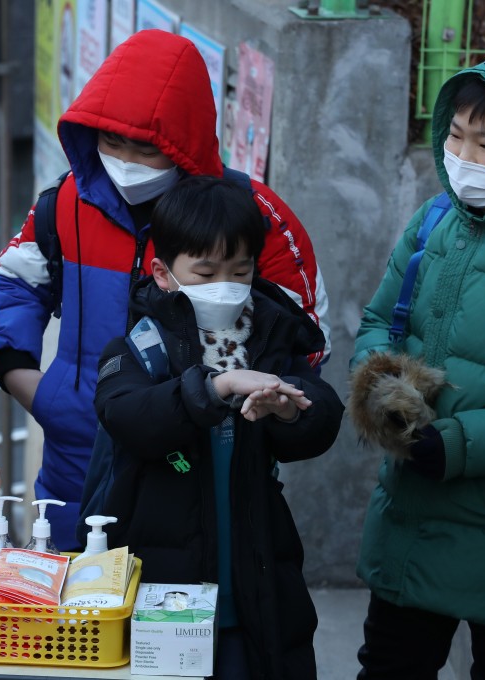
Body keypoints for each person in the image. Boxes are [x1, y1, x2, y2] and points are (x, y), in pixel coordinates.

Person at [0, 29, 330, 549]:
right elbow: (13, 284)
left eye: (145, 148)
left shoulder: (252, 216)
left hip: (208, 467)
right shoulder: (67, 202)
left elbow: (305, 335)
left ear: (184, 139)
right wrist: (31, 385)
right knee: (80, 623)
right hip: (74, 464)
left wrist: (258, 410)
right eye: (110, 140)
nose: (124, 161)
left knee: (185, 621)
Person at [94, 176, 345, 679]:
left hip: (255, 572)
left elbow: (319, 408)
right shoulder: (140, 344)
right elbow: (127, 415)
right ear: (164, 273)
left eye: (240, 270)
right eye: (205, 272)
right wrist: (214, 387)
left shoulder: (272, 330)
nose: (225, 285)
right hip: (163, 583)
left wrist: (292, 411)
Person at [347, 52, 485, 679]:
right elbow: (380, 319)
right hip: (411, 514)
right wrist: (379, 388)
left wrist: (456, 443)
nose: (464, 157)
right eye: (456, 136)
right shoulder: (433, 220)